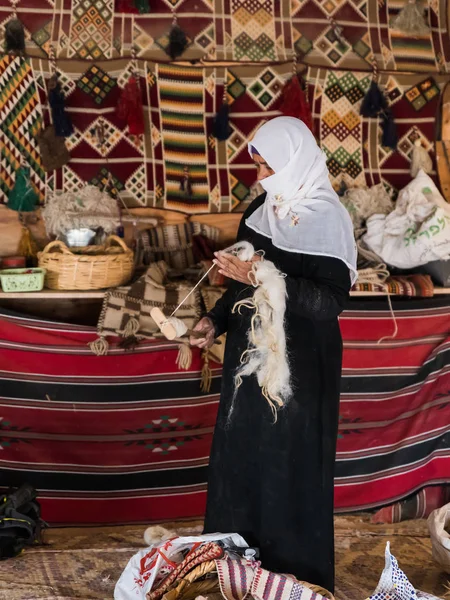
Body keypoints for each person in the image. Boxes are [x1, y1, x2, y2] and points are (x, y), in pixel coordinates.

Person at [190, 116, 357, 593]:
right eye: (257, 164)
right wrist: (216, 320)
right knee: (240, 460)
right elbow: (241, 276)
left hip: (300, 367)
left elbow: (328, 303)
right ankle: (233, 575)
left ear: (293, 162)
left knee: (290, 466)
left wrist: (263, 276)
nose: (259, 174)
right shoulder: (262, 210)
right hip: (249, 361)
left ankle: (293, 582)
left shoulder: (328, 220)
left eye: (266, 164)